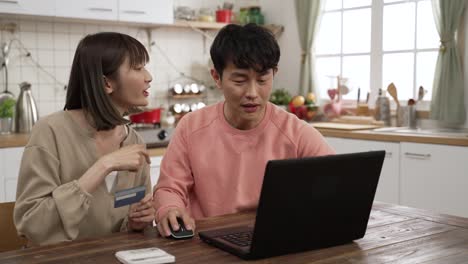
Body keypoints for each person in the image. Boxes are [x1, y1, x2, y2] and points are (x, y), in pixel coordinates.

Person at [154, 24, 335, 237]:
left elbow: (336, 183)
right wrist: (169, 209)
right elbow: (169, 188)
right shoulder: (191, 127)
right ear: (216, 77)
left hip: (273, 238)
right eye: (239, 80)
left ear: (274, 74)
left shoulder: (295, 132)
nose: (252, 92)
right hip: (206, 241)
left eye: (262, 80)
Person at [14, 32, 155, 246]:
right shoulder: (50, 131)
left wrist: (136, 223)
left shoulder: (133, 141)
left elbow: (124, 222)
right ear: (107, 83)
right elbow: (32, 223)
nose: (148, 76)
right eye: (137, 68)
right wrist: (105, 164)